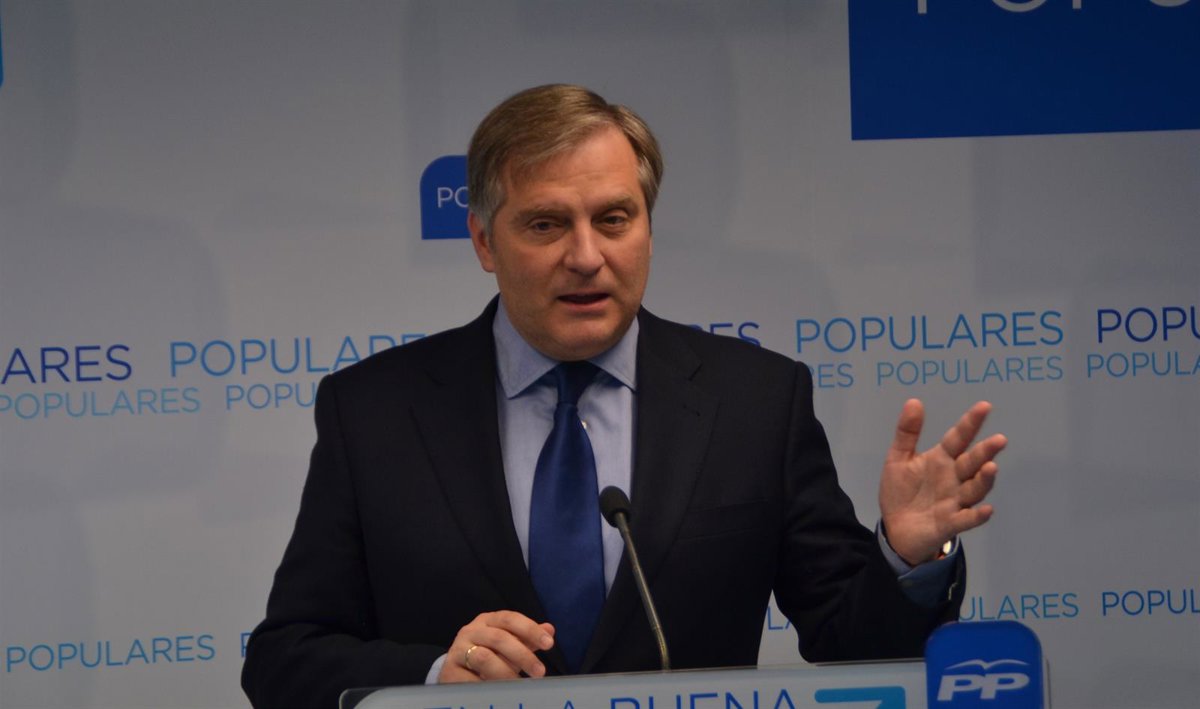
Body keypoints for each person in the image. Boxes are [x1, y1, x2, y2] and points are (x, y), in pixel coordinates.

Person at [241, 84, 1005, 708]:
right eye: (546, 224)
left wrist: (908, 554)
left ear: (647, 226)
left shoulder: (755, 402)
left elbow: (851, 642)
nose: (586, 255)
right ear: (483, 240)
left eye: (614, 219)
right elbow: (283, 661)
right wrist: (437, 676)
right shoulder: (374, 412)